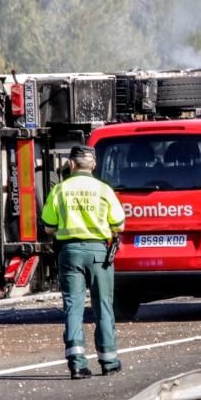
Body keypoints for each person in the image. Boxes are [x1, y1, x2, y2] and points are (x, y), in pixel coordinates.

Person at [41, 144, 126, 379]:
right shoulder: (104, 190)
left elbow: (49, 225)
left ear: (71, 164)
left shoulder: (60, 190)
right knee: (103, 306)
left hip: (69, 252)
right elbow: (119, 224)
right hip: (99, 252)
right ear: (94, 165)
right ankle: (109, 361)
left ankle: (77, 363)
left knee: (73, 305)